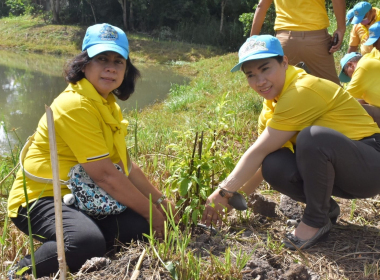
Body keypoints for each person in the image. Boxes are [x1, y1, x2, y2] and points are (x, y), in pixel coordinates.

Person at [7, 23, 175, 278]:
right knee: (85, 244)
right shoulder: (75, 104)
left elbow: (127, 168)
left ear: (126, 69)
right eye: (101, 59)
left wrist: (161, 204)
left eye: (119, 61)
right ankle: (18, 271)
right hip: (40, 199)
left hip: (84, 195)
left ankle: (83, 233)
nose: (111, 67)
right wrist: (154, 215)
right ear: (84, 64)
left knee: (140, 227)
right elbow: (105, 175)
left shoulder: (107, 104)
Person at [201, 35, 380, 250]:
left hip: (370, 163)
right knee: (273, 164)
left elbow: (256, 150)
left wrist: (223, 192)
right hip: (343, 170)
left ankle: (314, 221)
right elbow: (262, 157)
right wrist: (229, 202)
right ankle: (325, 212)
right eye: (251, 75)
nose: (260, 81)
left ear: (284, 62)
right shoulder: (271, 104)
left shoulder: (302, 89)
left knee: (312, 138)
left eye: (265, 69)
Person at [249, 0, 346, 85]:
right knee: (333, 92)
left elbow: (261, 6)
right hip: (316, 40)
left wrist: (252, 42)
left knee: (283, 92)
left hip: (284, 42)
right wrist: (341, 29)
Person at [345, 21, 380, 126]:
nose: (374, 45)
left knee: (348, 110)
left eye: (377, 41)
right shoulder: (374, 55)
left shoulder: (365, 65)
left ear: (351, 65)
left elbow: (343, 99)